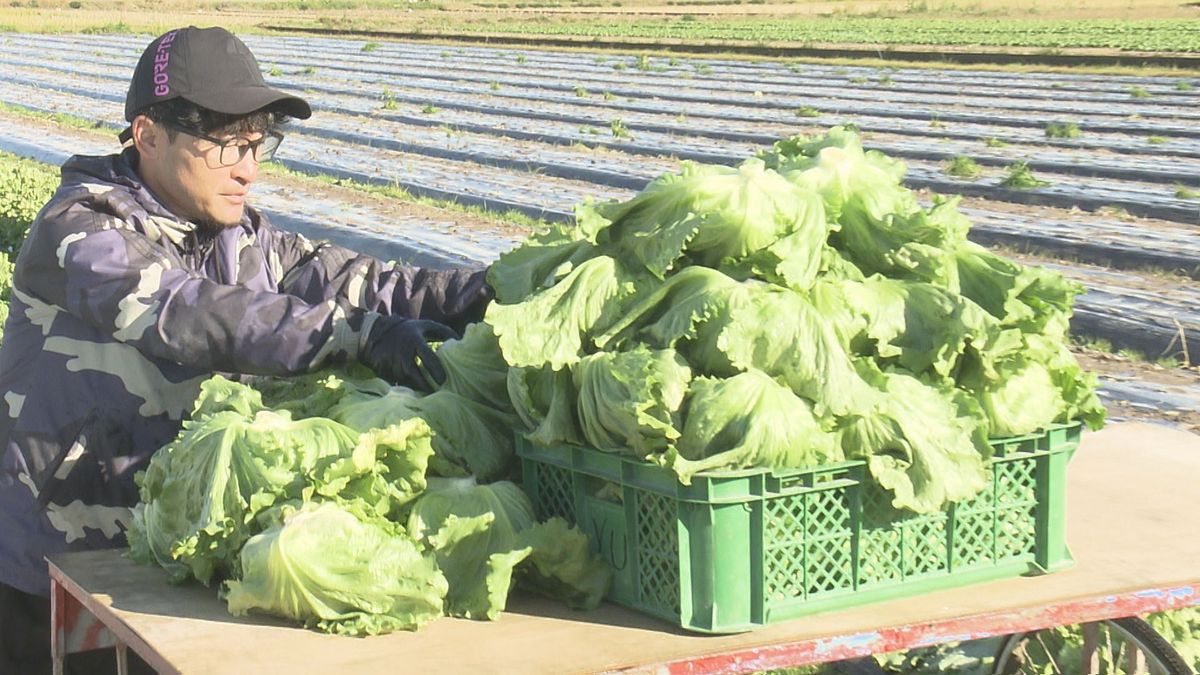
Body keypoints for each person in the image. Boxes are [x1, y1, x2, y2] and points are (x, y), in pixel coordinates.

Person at [0, 26, 492, 673]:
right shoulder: (81, 229)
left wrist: (483, 291)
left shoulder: (242, 235)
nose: (248, 168)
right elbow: (192, 312)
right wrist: (357, 333)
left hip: (164, 556)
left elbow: (367, 280)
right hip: (56, 560)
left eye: (258, 145)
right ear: (148, 135)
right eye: (227, 145)